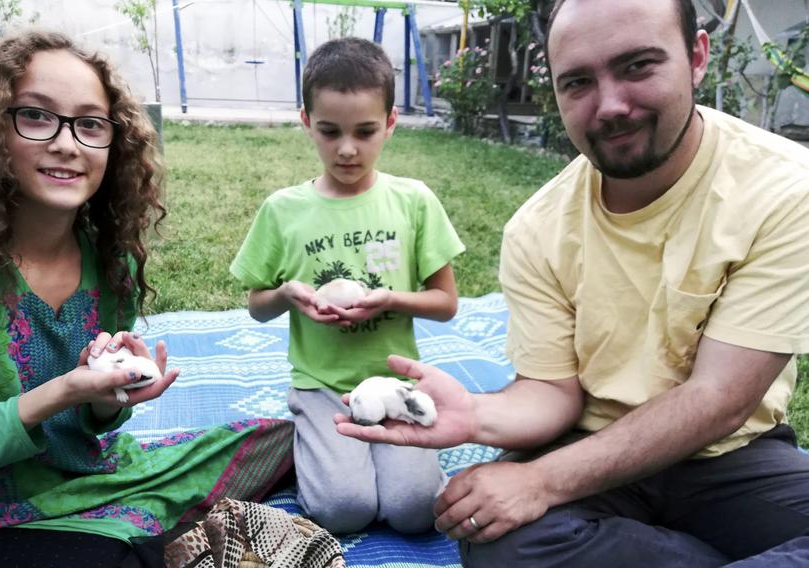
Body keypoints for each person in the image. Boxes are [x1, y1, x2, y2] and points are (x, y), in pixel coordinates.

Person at [336, 0, 809, 565]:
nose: (611, 105)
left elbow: (719, 400)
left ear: (696, 58)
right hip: (588, 446)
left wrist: (540, 482)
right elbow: (553, 391)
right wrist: (474, 416)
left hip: (731, 457)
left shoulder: (783, 189)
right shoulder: (538, 229)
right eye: (579, 82)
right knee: (493, 538)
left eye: (638, 66)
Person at [0, 31, 291, 568]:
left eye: (89, 124)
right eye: (36, 116)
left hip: (106, 477)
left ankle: (150, 539)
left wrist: (108, 400)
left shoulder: (112, 261)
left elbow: (92, 426)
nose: (68, 143)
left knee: (290, 440)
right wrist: (63, 391)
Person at [230, 37, 465, 534]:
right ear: (305, 121)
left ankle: (364, 457)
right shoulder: (282, 210)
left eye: (366, 131)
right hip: (321, 385)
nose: (347, 148)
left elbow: (445, 304)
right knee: (343, 511)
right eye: (329, 131)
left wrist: (390, 299)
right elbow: (257, 306)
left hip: (394, 382)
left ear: (392, 122)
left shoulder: (414, 202)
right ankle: (306, 438)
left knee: (415, 512)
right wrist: (286, 294)